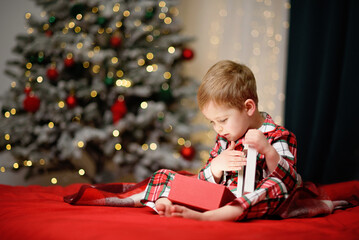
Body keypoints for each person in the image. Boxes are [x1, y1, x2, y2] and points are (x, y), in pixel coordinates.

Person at [140, 60, 302, 221]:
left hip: (251, 200)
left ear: (248, 108)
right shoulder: (225, 138)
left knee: (277, 186)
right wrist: (216, 166)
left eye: (223, 120)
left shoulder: (278, 135)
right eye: (212, 122)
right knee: (163, 176)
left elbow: (288, 180)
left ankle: (212, 217)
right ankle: (167, 204)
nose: (218, 129)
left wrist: (267, 151)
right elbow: (203, 181)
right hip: (221, 197)